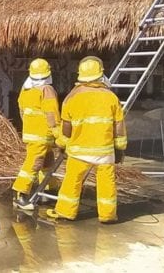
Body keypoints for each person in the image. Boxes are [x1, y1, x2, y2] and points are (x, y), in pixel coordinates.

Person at [46, 56, 127, 223]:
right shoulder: (111, 97)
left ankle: (66, 212)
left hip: (78, 152)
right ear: (101, 74)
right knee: (106, 184)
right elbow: (119, 127)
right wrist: (120, 149)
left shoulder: (71, 97)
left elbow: (66, 128)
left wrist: (61, 144)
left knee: (72, 181)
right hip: (105, 152)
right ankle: (108, 215)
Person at [12, 58, 60, 210]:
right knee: (33, 163)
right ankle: (20, 193)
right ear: (48, 73)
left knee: (47, 162)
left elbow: (21, 110)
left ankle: (49, 189)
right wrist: (58, 133)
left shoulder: (26, 89)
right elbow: (52, 113)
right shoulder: (47, 89)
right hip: (42, 134)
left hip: (31, 133)